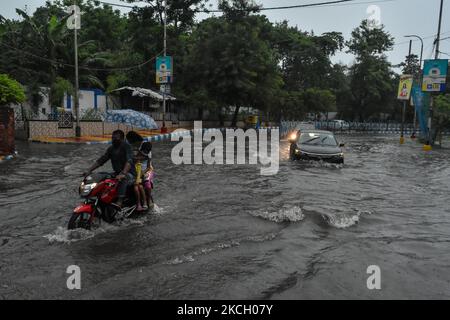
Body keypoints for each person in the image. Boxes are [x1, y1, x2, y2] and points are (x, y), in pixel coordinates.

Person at [83, 130, 135, 208]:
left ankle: (120, 201)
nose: (113, 140)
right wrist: (89, 170)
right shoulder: (111, 148)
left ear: (122, 139)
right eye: (112, 138)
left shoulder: (127, 146)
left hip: (129, 174)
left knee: (123, 179)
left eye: (116, 138)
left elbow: (129, 161)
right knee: (100, 175)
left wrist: (123, 173)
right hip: (117, 173)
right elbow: (102, 160)